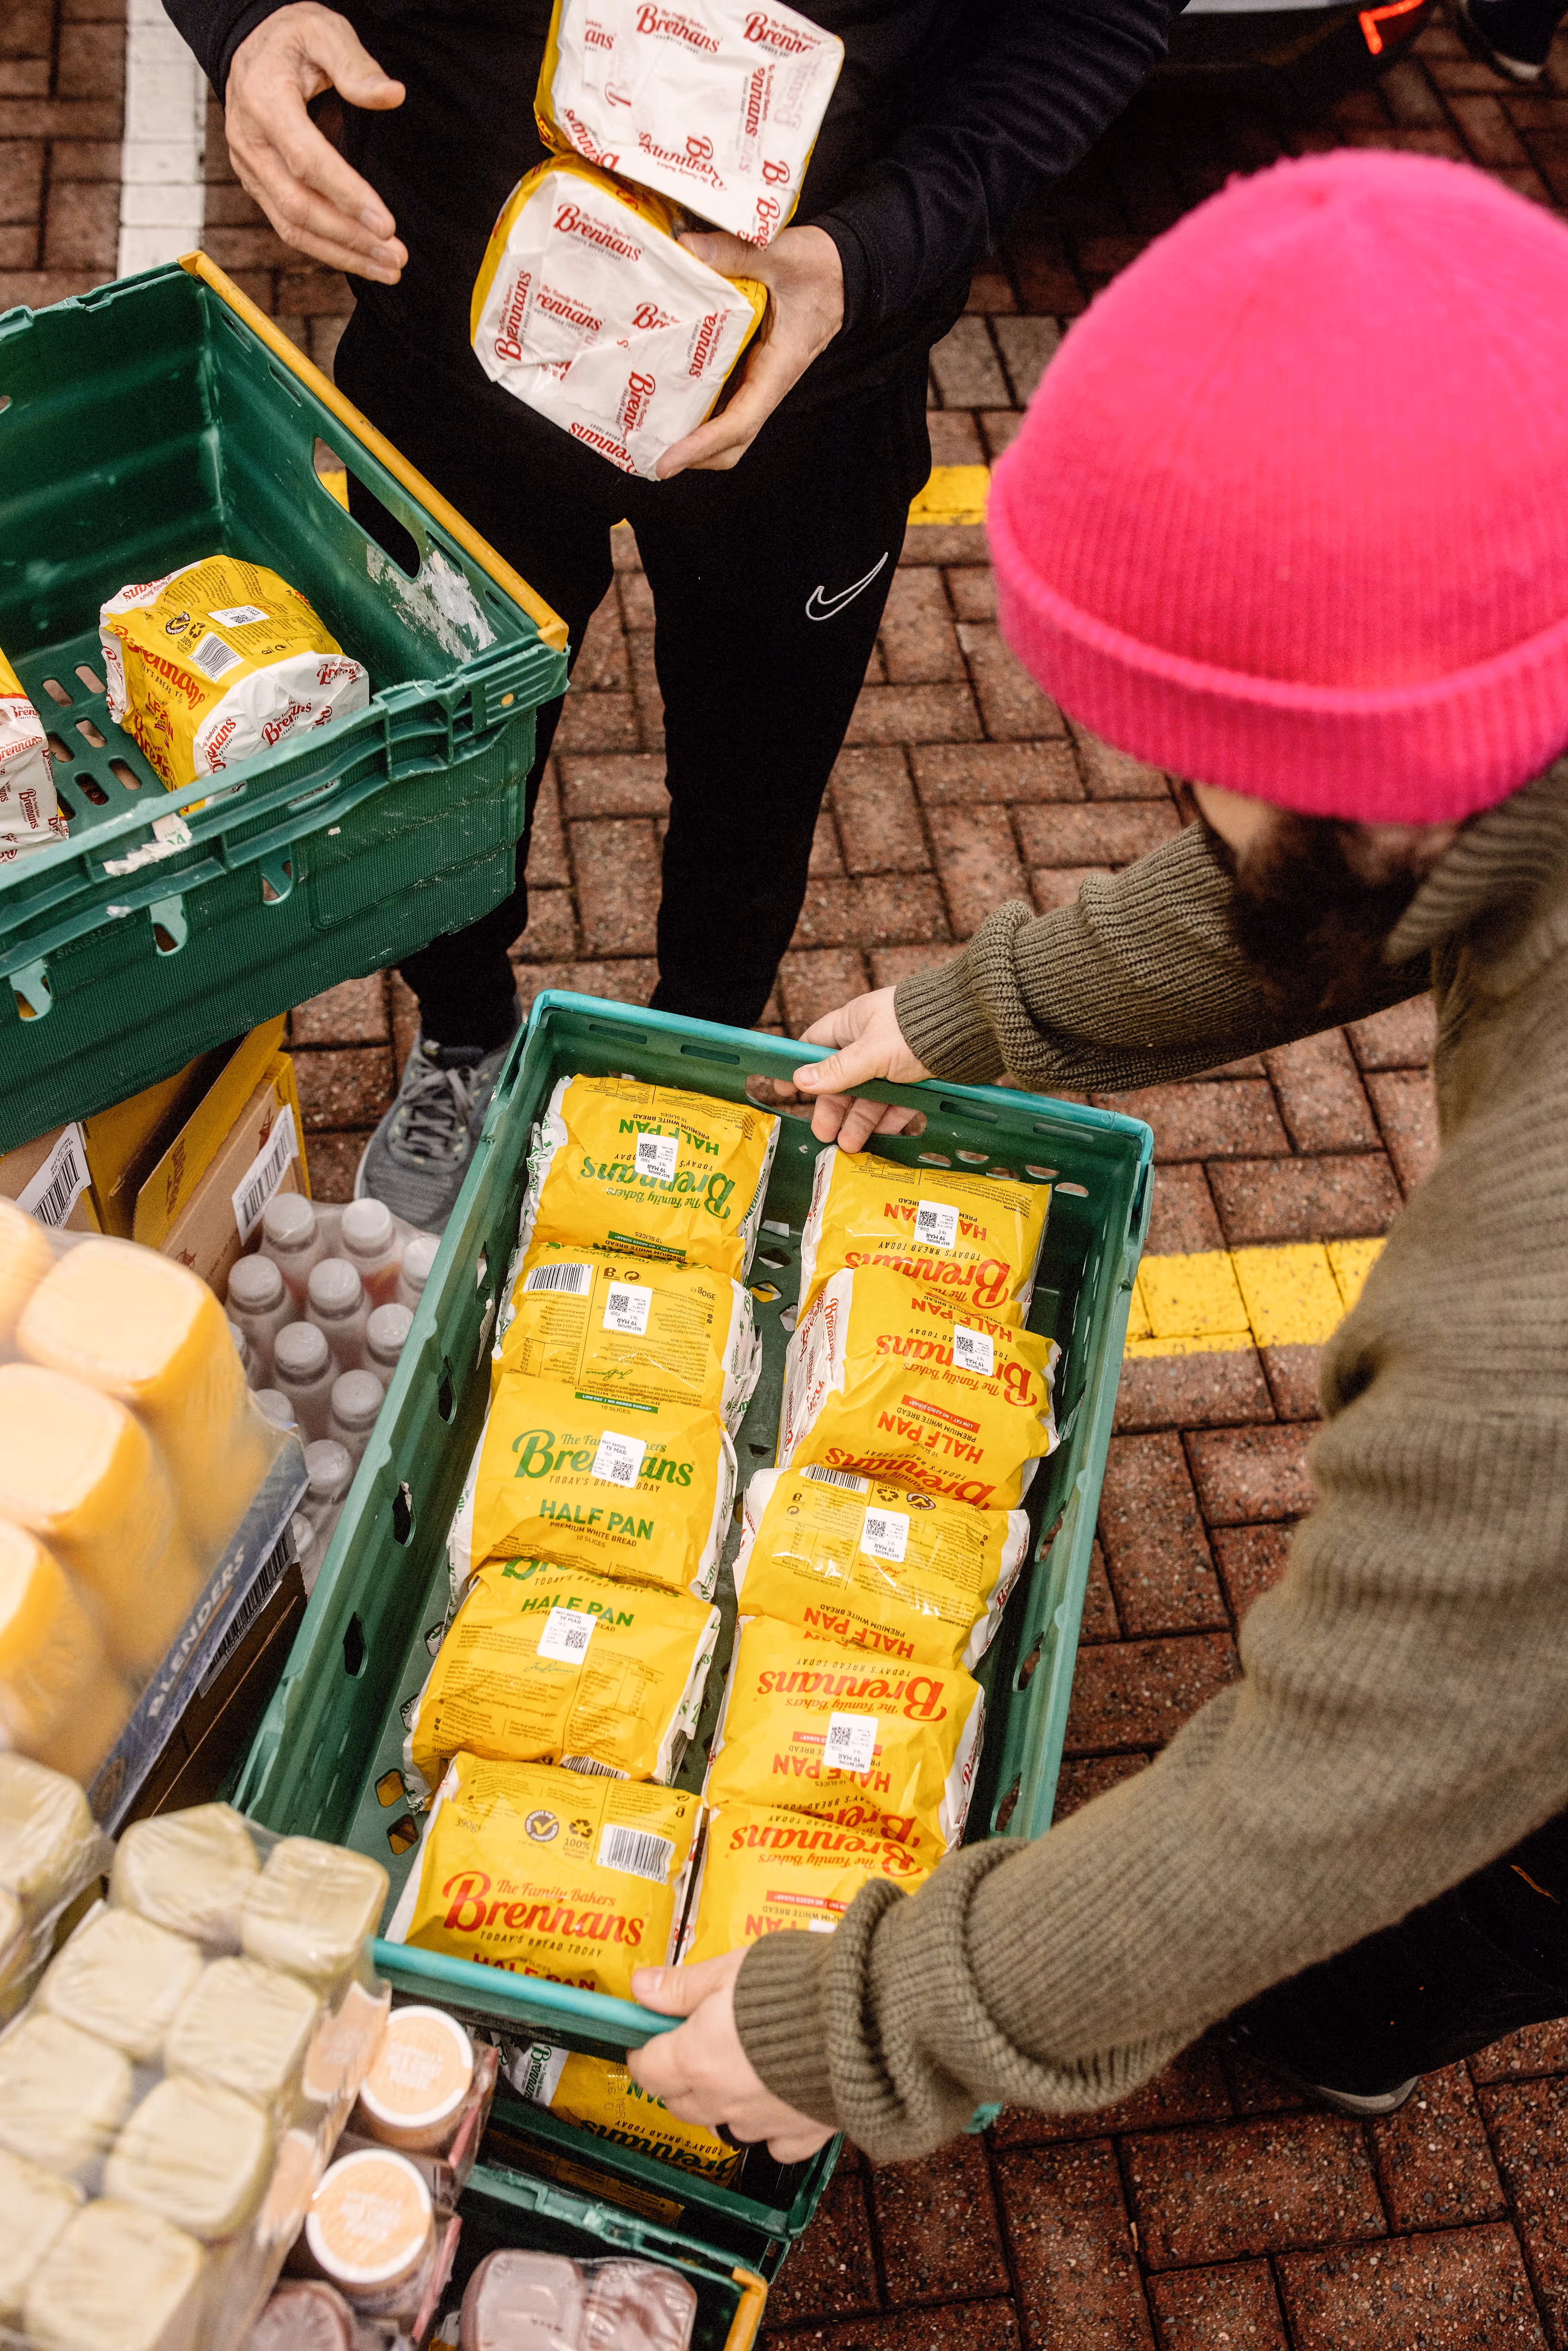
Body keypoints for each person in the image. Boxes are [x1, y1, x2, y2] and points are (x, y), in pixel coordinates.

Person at [615, 148, 1568, 2166]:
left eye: (1196, 757)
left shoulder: (1534, 1309)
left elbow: (1368, 1756)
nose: (1180, 804)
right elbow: (1351, 878)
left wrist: (884, 2017)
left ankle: (1376, 2009)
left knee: (1478, 1840)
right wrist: (994, 1009)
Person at [165, 0, 1178, 1232]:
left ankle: (696, 1058)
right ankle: (462, 1032)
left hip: (801, 377)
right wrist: (247, 23)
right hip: (456, 320)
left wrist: (871, 252)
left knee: (758, 779)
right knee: (446, 756)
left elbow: (1097, 20)